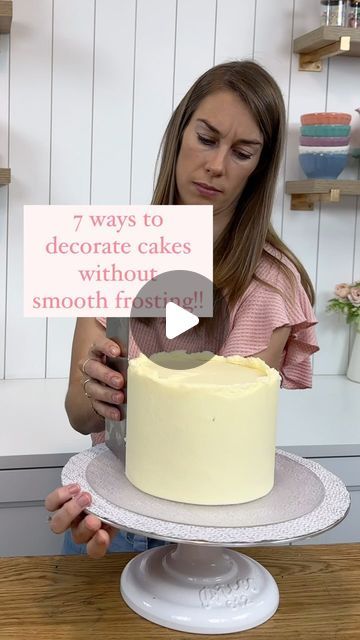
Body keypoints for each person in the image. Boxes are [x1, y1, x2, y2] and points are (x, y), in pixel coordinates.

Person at [45, 59, 319, 558]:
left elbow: (219, 444)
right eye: (207, 138)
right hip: (108, 520)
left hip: (212, 539)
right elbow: (79, 416)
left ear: (261, 165)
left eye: (243, 152)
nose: (216, 166)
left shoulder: (273, 287)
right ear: (179, 133)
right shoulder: (115, 252)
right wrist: (97, 390)